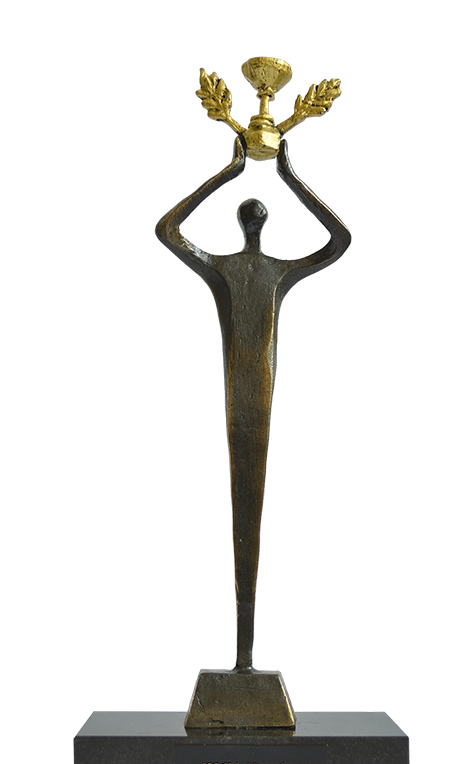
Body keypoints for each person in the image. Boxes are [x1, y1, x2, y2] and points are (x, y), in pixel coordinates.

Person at [156, 136, 351, 670]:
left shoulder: (262, 270)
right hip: (243, 395)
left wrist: (280, 175)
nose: (254, 223)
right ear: (255, 224)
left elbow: (340, 241)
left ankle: (246, 661)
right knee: (246, 498)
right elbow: (168, 232)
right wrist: (237, 172)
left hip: (255, 397)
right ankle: (242, 662)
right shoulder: (229, 267)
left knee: (249, 499)